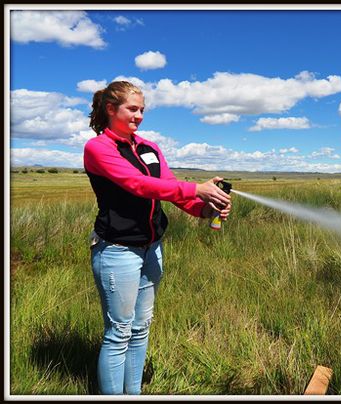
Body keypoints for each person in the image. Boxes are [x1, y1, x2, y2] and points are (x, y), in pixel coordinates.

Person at [83, 81, 232, 395]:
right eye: (132, 109)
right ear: (111, 110)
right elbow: (137, 184)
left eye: (142, 110)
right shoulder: (99, 148)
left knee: (140, 328)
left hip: (152, 248)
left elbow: (170, 188)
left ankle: (133, 393)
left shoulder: (150, 148)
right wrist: (196, 188)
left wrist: (205, 208)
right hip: (117, 250)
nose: (139, 116)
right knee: (118, 332)